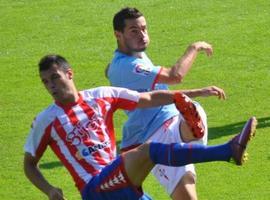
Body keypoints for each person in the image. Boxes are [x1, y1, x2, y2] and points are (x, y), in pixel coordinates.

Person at [24, 54, 257, 200]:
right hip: (95, 189)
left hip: (121, 180)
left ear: (69, 74)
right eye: (45, 81)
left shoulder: (101, 96)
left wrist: (196, 92)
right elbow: (29, 165)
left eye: (55, 77)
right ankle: (228, 151)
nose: (50, 85)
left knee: (147, 153)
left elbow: (150, 98)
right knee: (147, 150)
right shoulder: (46, 120)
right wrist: (50, 190)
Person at [106, 7, 225, 199]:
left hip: (170, 119)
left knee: (192, 111)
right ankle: (190, 130)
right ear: (117, 35)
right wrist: (194, 47)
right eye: (134, 31)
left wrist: (111, 71)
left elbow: (113, 72)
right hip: (153, 136)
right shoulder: (128, 66)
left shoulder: (131, 56)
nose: (142, 35)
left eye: (144, 29)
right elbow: (175, 76)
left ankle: (190, 128)